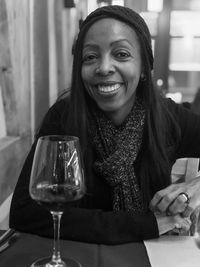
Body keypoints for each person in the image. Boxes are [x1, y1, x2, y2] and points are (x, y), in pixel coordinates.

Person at [9, 5, 200, 244]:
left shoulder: (168, 116)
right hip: (80, 256)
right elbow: (24, 213)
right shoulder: (63, 117)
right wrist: (144, 224)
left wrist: (197, 186)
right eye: (90, 57)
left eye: (121, 54)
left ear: (144, 67)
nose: (104, 67)